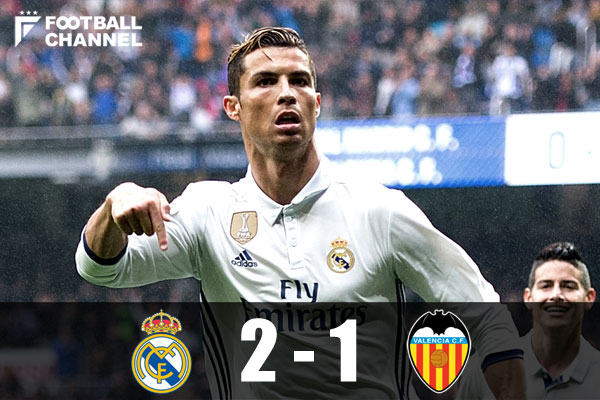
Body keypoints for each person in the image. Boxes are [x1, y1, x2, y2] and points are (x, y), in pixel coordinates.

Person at [75, 27, 525, 398]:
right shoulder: (207, 211)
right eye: (265, 82)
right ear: (233, 108)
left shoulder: (379, 210)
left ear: (317, 102)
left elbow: (487, 316)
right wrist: (116, 204)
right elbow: (101, 267)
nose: (287, 93)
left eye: (300, 81)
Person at [458, 242, 600, 399]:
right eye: (545, 286)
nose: (556, 295)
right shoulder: (483, 368)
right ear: (528, 297)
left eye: (569, 286)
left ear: (589, 298)